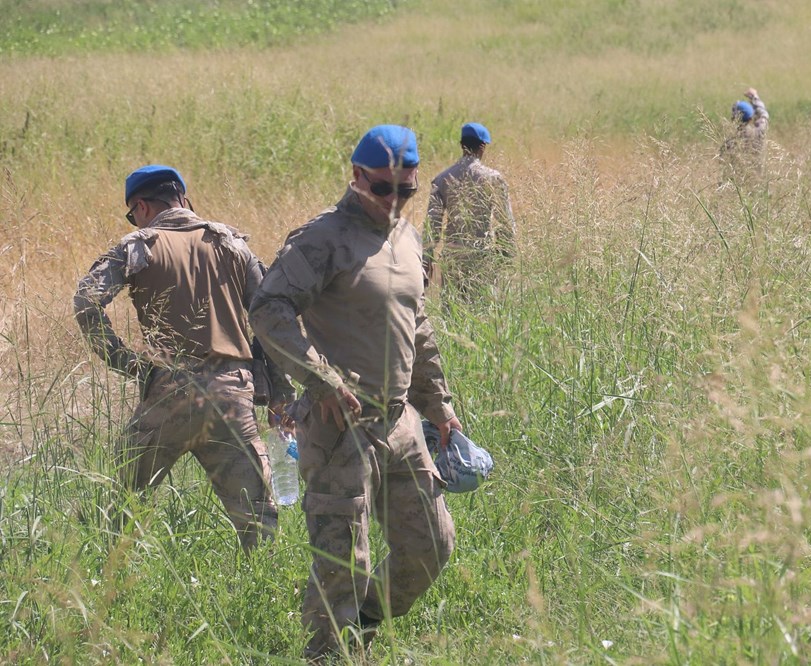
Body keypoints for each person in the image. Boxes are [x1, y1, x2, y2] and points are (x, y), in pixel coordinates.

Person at [248, 125, 461, 661]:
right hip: (339, 428)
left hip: (401, 423)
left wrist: (439, 405)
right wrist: (322, 379)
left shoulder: (408, 239)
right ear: (357, 176)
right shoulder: (323, 239)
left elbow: (418, 324)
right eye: (382, 188)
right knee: (344, 568)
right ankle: (329, 653)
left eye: (405, 190)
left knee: (431, 546)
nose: (393, 200)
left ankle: (362, 628)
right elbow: (268, 310)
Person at [73, 165, 291, 551]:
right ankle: (263, 590)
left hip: (169, 390)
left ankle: (107, 586)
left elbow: (86, 301)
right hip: (232, 394)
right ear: (183, 200)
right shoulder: (232, 244)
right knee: (258, 518)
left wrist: (129, 363)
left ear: (141, 206)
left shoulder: (138, 245)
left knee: (122, 507)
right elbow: (270, 316)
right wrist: (279, 392)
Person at [424, 122, 515, 298]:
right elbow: (506, 222)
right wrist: (505, 256)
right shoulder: (493, 179)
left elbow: (431, 227)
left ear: (461, 145)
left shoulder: (442, 179)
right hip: (483, 256)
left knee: (452, 313)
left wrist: (426, 261)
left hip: (453, 258)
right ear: (483, 146)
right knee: (484, 314)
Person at [720, 87, 769, 182]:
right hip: (758, 182)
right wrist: (755, 97)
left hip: (739, 184)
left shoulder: (730, 142)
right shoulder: (760, 131)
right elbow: (764, 115)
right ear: (751, 118)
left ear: (734, 119)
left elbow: (722, 163)